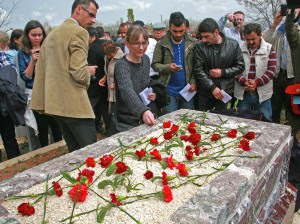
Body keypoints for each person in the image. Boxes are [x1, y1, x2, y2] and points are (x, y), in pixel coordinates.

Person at [30, 0, 99, 152]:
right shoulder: (80, 32)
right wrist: (88, 73)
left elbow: (48, 68)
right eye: (91, 15)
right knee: (92, 154)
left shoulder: (53, 33)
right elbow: (78, 71)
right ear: (79, 9)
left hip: (54, 104)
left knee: (74, 154)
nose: (93, 20)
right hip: (75, 104)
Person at [18, 20, 62, 150]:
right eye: (34, 35)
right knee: (41, 127)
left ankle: (59, 148)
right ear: (27, 35)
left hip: (51, 91)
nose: (37, 38)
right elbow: (26, 77)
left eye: (40, 34)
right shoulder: (23, 53)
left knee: (56, 124)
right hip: (35, 93)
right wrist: (32, 61)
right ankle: (45, 151)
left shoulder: (49, 48)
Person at [110, 25, 156, 135]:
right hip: (127, 121)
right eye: (136, 43)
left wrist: (153, 93)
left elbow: (145, 83)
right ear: (128, 44)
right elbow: (127, 91)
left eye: (144, 43)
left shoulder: (145, 59)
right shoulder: (122, 65)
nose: (141, 47)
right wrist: (143, 111)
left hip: (143, 116)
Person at [193, 18, 245, 111]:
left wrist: (223, 72)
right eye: (202, 37)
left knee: (221, 121)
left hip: (224, 92)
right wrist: (212, 87)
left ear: (216, 32)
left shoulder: (233, 45)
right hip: (205, 92)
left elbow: (240, 66)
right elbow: (198, 69)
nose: (204, 40)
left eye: (207, 36)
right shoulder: (200, 46)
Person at [152, 12, 196, 114]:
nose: (178, 34)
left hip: (187, 91)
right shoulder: (161, 44)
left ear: (186, 28)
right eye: (175, 31)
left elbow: (196, 65)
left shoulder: (192, 43)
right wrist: (168, 67)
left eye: (181, 31)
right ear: (169, 27)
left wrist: (193, 81)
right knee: (170, 123)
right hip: (169, 92)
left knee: (187, 123)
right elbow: (155, 64)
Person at [234, 23, 276, 121]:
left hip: (263, 94)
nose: (251, 42)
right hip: (243, 93)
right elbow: (234, 69)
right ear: (244, 36)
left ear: (260, 35)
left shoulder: (269, 49)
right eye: (248, 39)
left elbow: (272, 71)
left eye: (254, 39)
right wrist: (244, 81)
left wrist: (256, 83)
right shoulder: (238, 49)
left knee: (265, 121)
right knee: (241, 121)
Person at [263, 11, 298, 123]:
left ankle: (292, 134)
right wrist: (274, 24)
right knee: (275, 108)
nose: (292, 13)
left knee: (293, 108)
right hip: (277, 76)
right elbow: (265, 41)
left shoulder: (297, 30)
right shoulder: (279, 31)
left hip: (293, 77)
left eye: (295, 10)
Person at [0, 42, 23, 161]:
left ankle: (16, 164)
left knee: (9, 137)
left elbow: (12, 74)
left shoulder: (2, 56)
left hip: (4, 103)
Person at [87, 27, 109, 135]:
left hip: (96, 83)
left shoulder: (92, 48)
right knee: (104, 108)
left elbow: (91, 67)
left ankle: (92, 130)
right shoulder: (105, 44)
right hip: (106, 82)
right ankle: (108, 129)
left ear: (92, 36)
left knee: (91, 108)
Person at [100, 41, 124, 118]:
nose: (108, 57)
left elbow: (125, 77)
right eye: (106, 55)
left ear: (115, 51)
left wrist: (116, 84)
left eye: (110, 55)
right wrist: (105, 77)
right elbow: (109, 71)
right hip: (110, 93)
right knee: (111, 114)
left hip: (118, 95)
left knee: (117, 116)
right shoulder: (106, 57)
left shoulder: (122, 59)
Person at [285, 8, 300, 135]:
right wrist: (290, 12)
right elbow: (290, 32)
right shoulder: (297, 43)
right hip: (298, 92)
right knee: (293, 126)